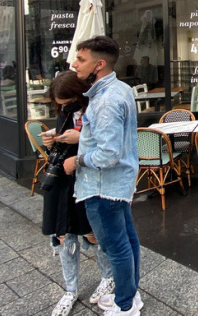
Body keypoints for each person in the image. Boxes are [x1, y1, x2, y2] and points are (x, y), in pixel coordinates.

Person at [66, 36, 142, 315]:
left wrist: (77, 161)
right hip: (116, 184)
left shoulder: (107, 100)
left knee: (115, 247)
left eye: (81, 59)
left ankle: (124, 306)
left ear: (99, 65)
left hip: (103, 185)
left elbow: (108, 155)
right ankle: (130, 296)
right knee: (127, 240)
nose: (74, 64)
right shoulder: (119, 89)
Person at [41, 72, 113, 316]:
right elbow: (63, 133)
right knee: (64, 234)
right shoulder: (65, 114)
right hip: (63, 179)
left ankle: (108, 278)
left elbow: (111, 144)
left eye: (65, 102)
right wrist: (53, 139)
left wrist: (81, 137)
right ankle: (70, 289)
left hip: (88, 177)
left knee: (93, 232)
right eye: (59, 104)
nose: (62, 107)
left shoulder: (98, 107)